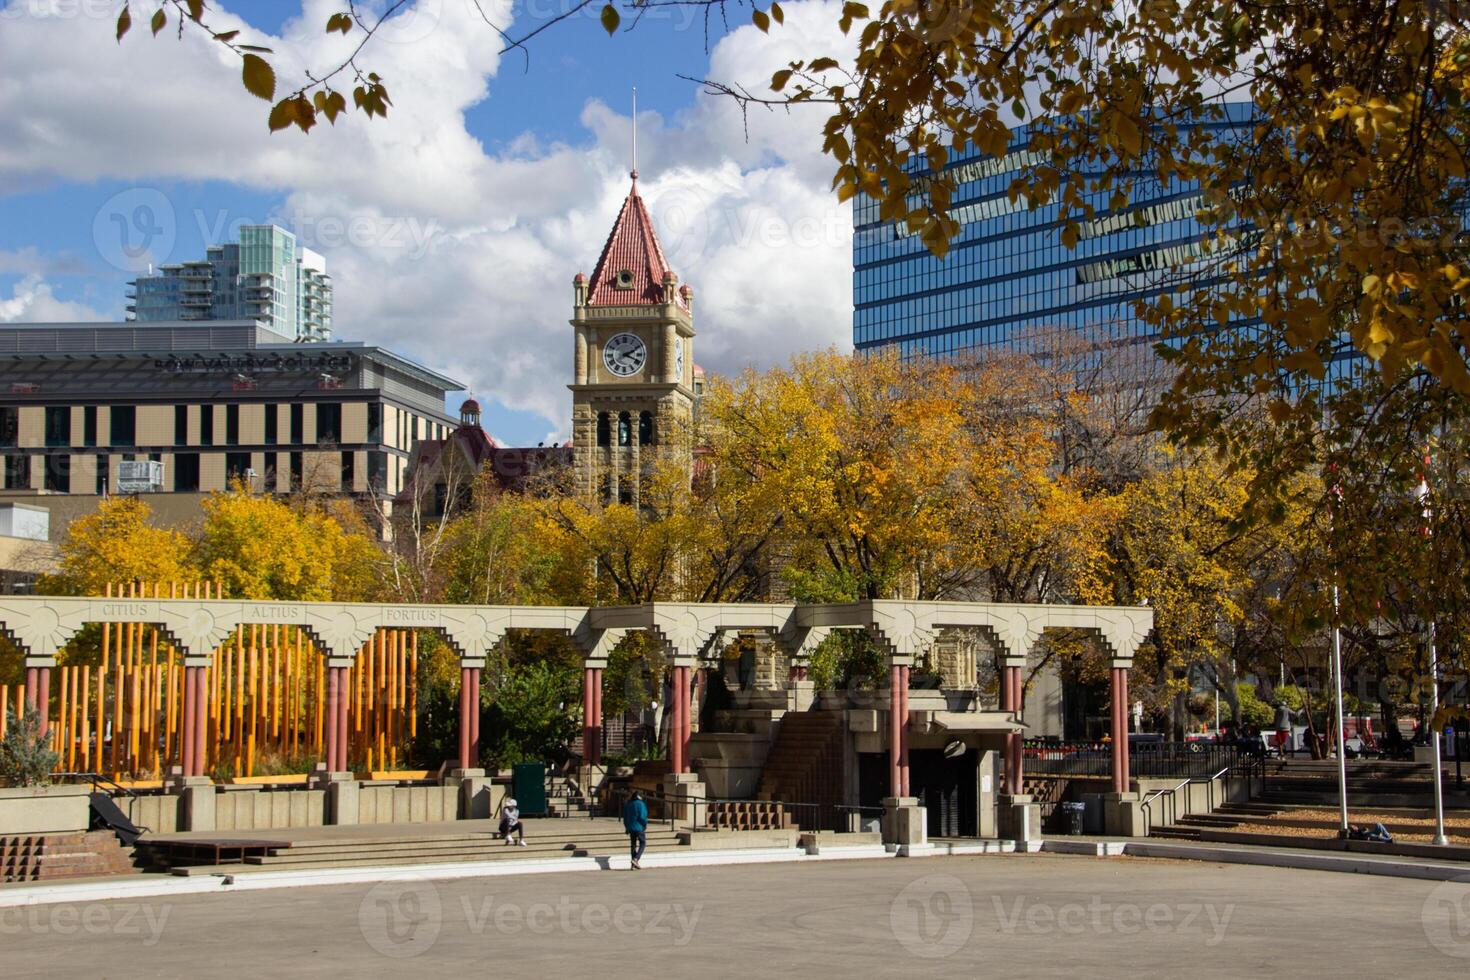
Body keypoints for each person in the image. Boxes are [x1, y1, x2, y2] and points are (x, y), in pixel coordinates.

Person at [623, 789, 648, 870]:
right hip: (639, 827)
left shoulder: (628, 804)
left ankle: (633, 865)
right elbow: (642, 816)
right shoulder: (641, 804)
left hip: (630, 827)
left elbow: (625, 817)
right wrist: (644, 824)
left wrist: (627, 827)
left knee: (633, 845)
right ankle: (636, 859)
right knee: (642, 843)